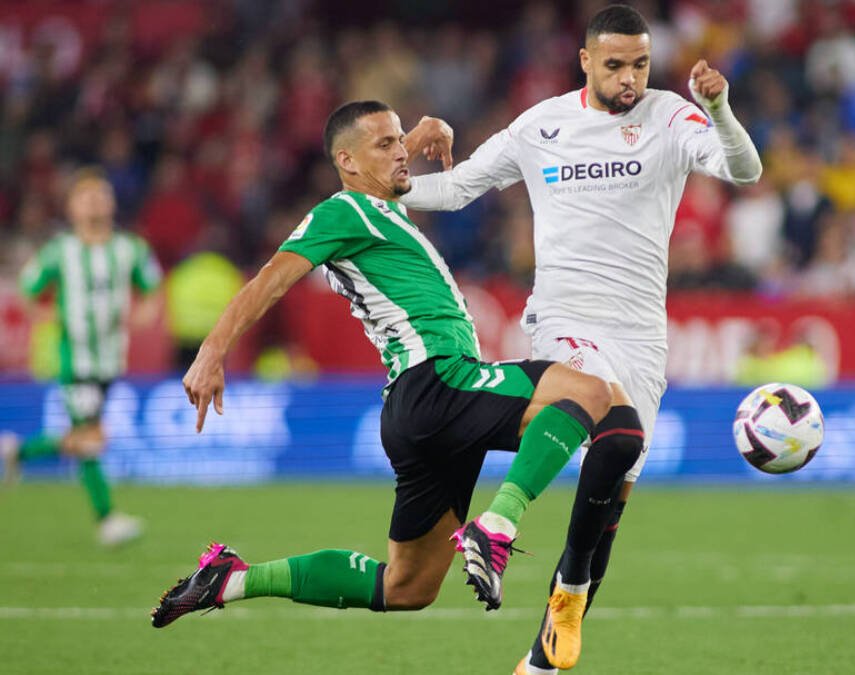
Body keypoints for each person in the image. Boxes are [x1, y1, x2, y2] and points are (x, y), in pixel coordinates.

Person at [150, 101, 614, 628]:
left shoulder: (377, 203)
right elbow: (271, 279)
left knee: (407, 587)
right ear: (346, 162)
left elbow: (385, 164)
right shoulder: (341, 212)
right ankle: (498, 525)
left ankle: (232, 578)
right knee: (591, 395)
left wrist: (418, 133)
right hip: (440, 378)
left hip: (414, 412)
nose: (400, 154)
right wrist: (212, 352)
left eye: (399, 142)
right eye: (386, 145)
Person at [398, 6, 763, 672]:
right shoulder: (543, 125)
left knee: (617, 475)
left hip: (641, 332)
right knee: (604, 414)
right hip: (563, 319)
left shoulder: (673, 118)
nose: (630, 79)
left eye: (641, 65)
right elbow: (456, 188)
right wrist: (379, 189)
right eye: (617, 64)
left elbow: (744, 170)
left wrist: (719, 107)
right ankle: (502, 524)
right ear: (586, 60)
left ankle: (547, 642)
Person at [1, 169, 162, 547]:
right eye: (85, 196)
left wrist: (144, 313)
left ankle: (15, 451)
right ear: (72, 207)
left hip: (110, 361)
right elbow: (27, 290)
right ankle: (106, 519)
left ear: (112, 202)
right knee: (91, 438)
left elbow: (152, 289)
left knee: (85, 437)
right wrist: (49, 317)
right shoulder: (60, 251)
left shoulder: (129, 248)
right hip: (77, 360)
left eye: (100, 194)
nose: (94, 201)